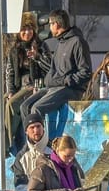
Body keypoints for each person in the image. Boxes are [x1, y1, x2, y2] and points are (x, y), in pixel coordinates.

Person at [24, 9, 90, 138]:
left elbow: (86, 72)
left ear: (57, 24)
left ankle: (43, 145)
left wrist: (66, 81)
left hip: (70, 89)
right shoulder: (61, 43)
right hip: (54, 86)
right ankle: (28, 144)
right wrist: (38, 58)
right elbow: (54, 69)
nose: (49, 28)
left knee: (37, 108)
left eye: (50, 24)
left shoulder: (77, 42)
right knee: (25, 105)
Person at [5, 15, 46, 143]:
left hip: (33, 86)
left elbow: (48, 67)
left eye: (30, 29)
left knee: (12, 103)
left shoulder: (41, 46)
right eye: (23, 29)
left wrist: (37, 56)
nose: (27, 32)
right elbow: (10, 73)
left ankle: (7, 141)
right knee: (1, 105)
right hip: (19, 87)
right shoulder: (14, 50)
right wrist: (10, 90)